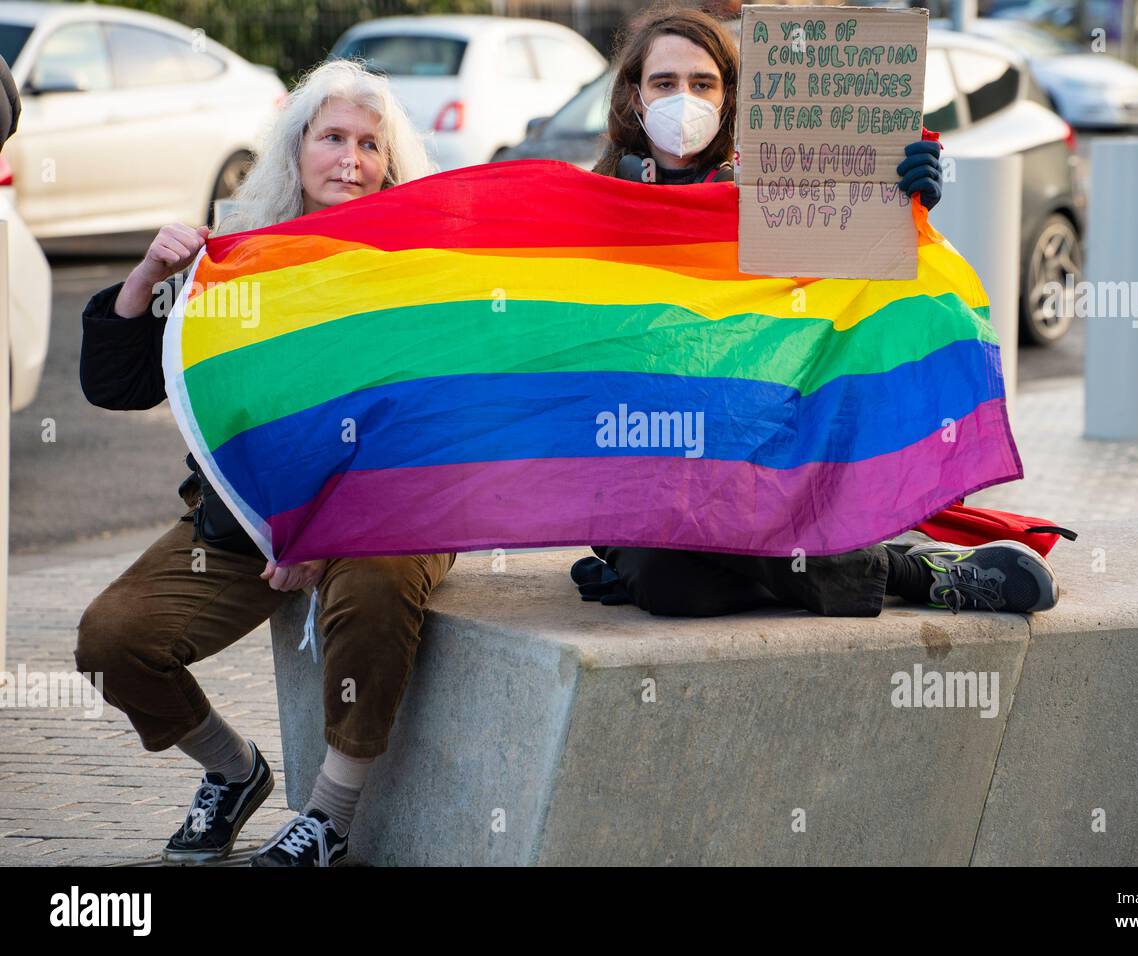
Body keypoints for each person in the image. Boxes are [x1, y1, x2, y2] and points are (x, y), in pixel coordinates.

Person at [75, 59, 453, 867]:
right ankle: (231, 772)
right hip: (247, 518)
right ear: (296, 150)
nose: (350, 160)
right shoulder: (240, 252)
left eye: (369, 144)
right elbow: (121, 386)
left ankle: (328, 816)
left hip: (390, 510)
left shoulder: (415, 266)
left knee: (376, 584)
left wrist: (321, 529)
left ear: (392, 163)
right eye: (332, 138)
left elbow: (425, 423)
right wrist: (147, 278)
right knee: (112, 640)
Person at [574, 4, 1059, 619]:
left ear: (728, 101)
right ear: (637, 99)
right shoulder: (591, 208)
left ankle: (918, 575)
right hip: (633, 467)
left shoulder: (766, 205)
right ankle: (894, 568)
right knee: (667, 582)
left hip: (739, 460)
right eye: (665, 83)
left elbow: (848, 291)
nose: (683, 99)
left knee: (676, 571)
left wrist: (900, 205)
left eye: (702, 84)